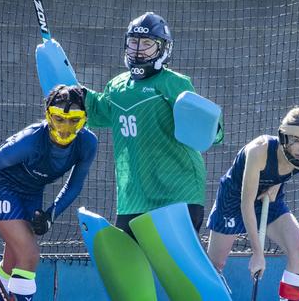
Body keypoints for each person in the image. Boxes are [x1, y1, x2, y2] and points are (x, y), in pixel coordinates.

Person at [83, 12, 222, 237]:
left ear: (164, 48)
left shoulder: (174, 83)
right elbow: (98, 113)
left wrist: (213, 127)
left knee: (178, 269)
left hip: (178, 193)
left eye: (148, 43)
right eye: (134, 41)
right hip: (133, 197)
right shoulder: (116, 86)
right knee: (129, 268)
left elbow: (211, 132)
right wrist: (74, 93)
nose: (139, 49)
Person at [0, 85, 97, 301]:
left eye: (74, 120)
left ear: (84, 120)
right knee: (30, 254)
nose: (65, 128)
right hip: (1, 186)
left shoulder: (88, 143)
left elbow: (74, 185)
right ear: (48, 116)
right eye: (59, 119)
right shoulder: (30, 141)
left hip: (32, 192)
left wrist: (51, 215)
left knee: (14, 260)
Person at [206, 107, 299, 301]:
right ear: (284, 138)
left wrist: (276, 183)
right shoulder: (258, 151)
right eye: (298, 141)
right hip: (236, 198)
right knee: (215, 264)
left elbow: (285, 169)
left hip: (268, 196)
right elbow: (246, 203)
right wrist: (258, 253)